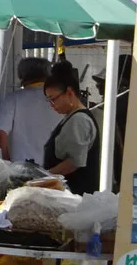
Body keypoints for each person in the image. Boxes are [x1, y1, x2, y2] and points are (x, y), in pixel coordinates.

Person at [43, 61, 102, 195]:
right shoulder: (71, 117)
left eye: (53, 99)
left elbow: (74, 162)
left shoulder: (79, 120)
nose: (51, 105)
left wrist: (43, 176)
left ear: (69, 92)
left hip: (76, 195)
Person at [0, 57, 60, 165]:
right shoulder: (58, 99)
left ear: (22, 76)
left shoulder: (13, 99)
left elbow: (0, 133)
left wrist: (7, 163)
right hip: (55, 168)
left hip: (22, 169)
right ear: (48, 75)